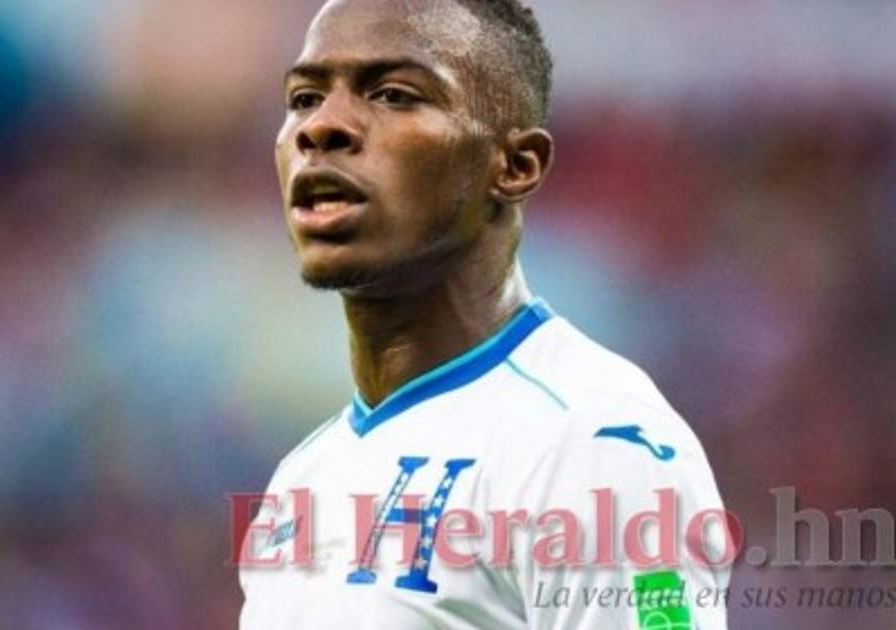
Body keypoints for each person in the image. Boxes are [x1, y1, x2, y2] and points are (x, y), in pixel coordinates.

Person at [238, 0, 730, 627]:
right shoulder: (301, 481)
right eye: (304, 98)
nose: (321, 126)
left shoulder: (594, 441)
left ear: (516, 166)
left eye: (392, 94)